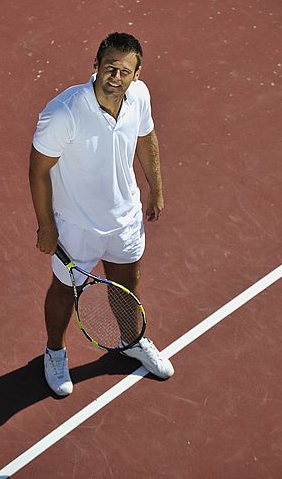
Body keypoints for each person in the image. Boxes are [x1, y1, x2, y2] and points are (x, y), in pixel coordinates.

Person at [29, 32, 174, 396]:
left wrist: (156, 188)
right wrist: (47, 226)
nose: (116, 76)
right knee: (64, 291)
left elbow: (146, 137)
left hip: (124, 220)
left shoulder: (139, 97)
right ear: (95, 66)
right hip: (76, 228)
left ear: (137, 74)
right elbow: (38, 170)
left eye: (125, 70)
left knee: (128, 285)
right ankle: (55, 352)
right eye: (110, 67)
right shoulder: (64, 112)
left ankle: (131, 339)